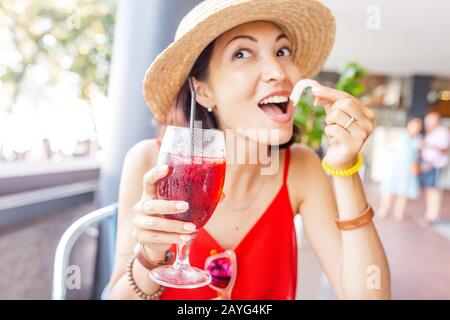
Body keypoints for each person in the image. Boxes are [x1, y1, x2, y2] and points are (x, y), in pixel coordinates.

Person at [108, 0, 390, 300]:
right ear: (203, 90)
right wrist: (151, 256)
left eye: (282, 52)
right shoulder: (151, 161)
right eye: (242, 53)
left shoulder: (301, 168)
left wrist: (346, 168)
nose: (277, 72)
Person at [377, 118, 422, 221]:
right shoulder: (399, 133)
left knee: (403, 192)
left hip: (408, 169)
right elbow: (386, 141)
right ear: (408, 125)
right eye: (413, 125)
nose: (415, 128)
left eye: (417, 127)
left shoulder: (418, 139)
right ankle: (384, 210)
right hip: (395, 167)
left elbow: (418, 154)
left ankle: (399, 212)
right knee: (388, 190)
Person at [419, 111, 450, 225]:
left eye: (430, 119)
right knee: (429, 190)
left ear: (437, 120)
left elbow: (444, 148)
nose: (427, 122)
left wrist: (428, 146)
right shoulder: (431, 132)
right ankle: (429, 214)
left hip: (436, 166)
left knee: (434, 190)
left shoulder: (442, 132)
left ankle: (432, 217)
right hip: (428, 165)